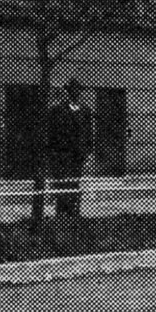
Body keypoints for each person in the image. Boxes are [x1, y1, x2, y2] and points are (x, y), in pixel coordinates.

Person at [45, 81, 92, 220]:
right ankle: (61, 213)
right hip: (62, 154)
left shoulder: (85, 110)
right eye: (72, 91)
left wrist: (87, 152)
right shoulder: (57, 110)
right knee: (62, 182)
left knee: (75, 182)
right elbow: (51, 133)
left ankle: (74, 213)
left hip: (78, 155)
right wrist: (53, 153)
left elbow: (89, 133)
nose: (75, 93)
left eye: (78, 91)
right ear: (68, 92)